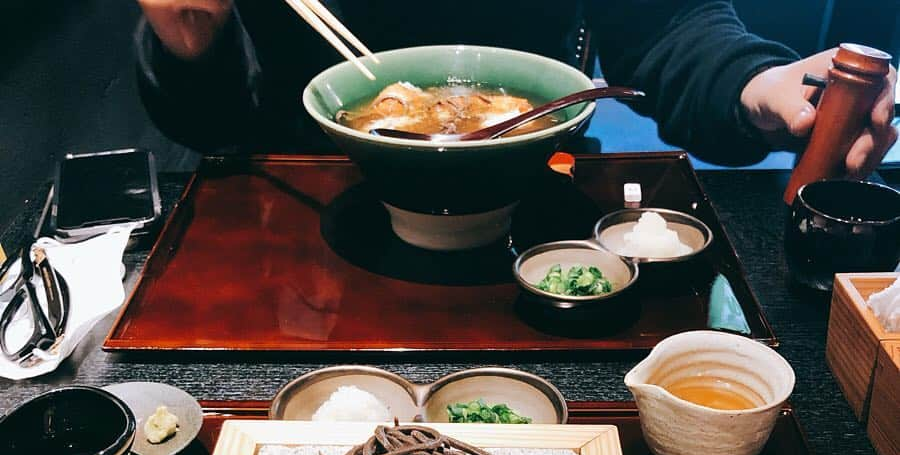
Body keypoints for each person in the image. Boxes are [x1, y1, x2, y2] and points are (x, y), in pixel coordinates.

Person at [135, 0, 897, 172]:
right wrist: (189, 46)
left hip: (535, 184)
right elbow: (215, 119)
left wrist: (753, 81)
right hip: (309, 195)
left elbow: (666, 27)